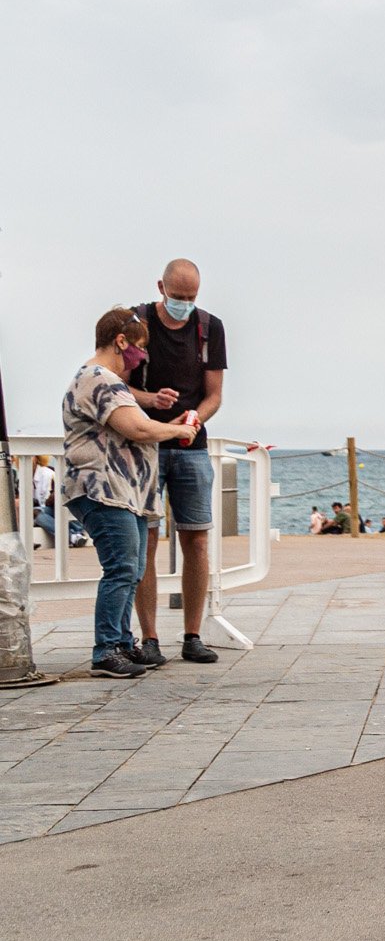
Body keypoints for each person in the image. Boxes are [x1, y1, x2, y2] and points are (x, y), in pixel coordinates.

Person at [62, 305, 201, 678]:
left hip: (126, 493)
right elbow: (136, 428)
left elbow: (136, 423)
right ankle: (105, 650)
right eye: (139, 349)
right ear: (121, 341)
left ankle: (123, 643)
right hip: (101, 488)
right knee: (121, 567)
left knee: (133, 568)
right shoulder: (98, 378)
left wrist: (163, 421)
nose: (141, 358)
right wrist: (178, 431)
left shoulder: (110, 382)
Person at [124, 259, 227, 666]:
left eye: (191, 297)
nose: (184, 304)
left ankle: (193, 635)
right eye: (177, 296)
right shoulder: (137, 321)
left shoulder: (210, 327)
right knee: (145, 541)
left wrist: (195, 417)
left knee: (197, 540)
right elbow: (115, 380)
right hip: (145, 444)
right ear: (160, 287)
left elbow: (215, 393)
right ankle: (149, 638)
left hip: (192, 445)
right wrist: (150, 401)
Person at [28, 456, 89, 548]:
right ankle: (74, 535)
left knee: (36, 513)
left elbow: (54, 499)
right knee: (36, 514)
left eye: (32, 457)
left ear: (37, 459)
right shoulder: (26, 476)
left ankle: (73, 534)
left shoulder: (48, 474)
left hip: (59, 509)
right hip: (46, 511)